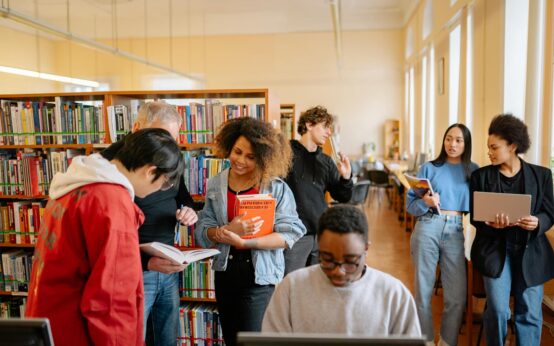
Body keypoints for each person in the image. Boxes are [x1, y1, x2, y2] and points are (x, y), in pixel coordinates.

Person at [25, 128, 184, 345]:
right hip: (79, 333)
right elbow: (111, 300)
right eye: (164, 182)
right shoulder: (111, 202)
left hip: (52, 325)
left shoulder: (76, 186)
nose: (160, 189)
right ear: (150, 171)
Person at [194, 117, 306, 346]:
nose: (240, 161)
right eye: (237, 152)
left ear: (264, 159)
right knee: (231, 339)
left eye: (251, 157)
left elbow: (289, 234)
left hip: (258, 276)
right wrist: (226, 230)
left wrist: (246, 243)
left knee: (252, 340)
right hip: (224, 273)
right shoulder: (216, 183)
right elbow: (202, 230)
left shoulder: (275, 187)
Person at [101, 101, 198, 346]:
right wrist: (147, 262)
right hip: (131, 269)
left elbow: (182, 196)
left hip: (166, 262)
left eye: (173, 139)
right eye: (161, 136)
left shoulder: (169, 158)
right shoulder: (107, 170)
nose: (168, 148)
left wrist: (187, 210)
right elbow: (106, 245)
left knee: (166, 338)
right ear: (137, 128)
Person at [262, 204, 421, 336]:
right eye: (327, 260)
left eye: (350, 262)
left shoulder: (394, 294)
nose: (339, 271)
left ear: (366, 248)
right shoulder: (291, 288)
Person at [470, 114, 554, 346]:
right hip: (495, 250)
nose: (490, 152)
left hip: (532, 252)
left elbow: (550, 213)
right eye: (488, 148)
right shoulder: (480, 177)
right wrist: (489, 223)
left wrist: (537, 222)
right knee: (497, 310)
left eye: (494, 147)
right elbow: (475, 218)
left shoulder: (542, 175)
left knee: (529, 312)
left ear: (513, 145)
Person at [406, 123, 478, 346]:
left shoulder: (473, 170)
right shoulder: (429, 167)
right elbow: (411, 204)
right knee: (423, 292)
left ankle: (447, 342)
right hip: (428, 225)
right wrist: (425, 202)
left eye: (458, 140)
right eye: (449, 138)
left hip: (456, 228)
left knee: (457, 297)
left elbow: (478, 205)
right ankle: (425, 341)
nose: (452, 144)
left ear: (466, 144)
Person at [284, 106, 353, 275]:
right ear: (309, 124)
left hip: (322, 235)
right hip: (296, 236)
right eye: (324, 127)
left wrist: (346, 177)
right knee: (293, 287)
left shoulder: (326, 161)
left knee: (318, 288)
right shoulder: (286, 154)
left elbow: (343, 196)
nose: (328, 133)